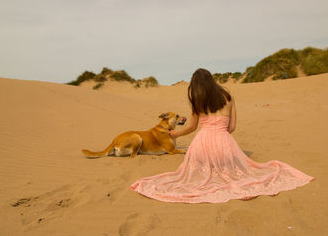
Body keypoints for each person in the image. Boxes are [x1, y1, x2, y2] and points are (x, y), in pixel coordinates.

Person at [130, 68, 313, 203]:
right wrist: (220, 138)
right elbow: (232, 127)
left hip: (201, 147)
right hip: (225, 146)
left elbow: (192, 128)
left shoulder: (198, 101)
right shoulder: (228, 96)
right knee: (241, 172)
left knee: (193, 175)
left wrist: (176, 133)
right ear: (212, 81)